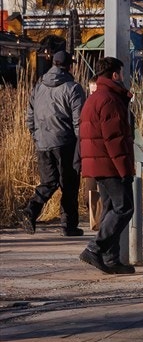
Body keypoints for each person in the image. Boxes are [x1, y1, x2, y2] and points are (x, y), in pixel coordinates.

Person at [77, 57, 136, 275]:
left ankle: (111, 259)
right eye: (121, 73)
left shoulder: (95, 98)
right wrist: (124, 169)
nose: (123, 77)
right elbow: (115, 139)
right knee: (124, 208)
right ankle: (96, 248)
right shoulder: (109, 100)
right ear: (114, 75)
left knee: (111, 208)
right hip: (110, 164)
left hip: (99, 164)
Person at [24, 50, 86, 237]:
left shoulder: (39, 86)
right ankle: (68, 225)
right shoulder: (73, 88)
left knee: (49, 182)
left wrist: (36, 135)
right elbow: (79, 121)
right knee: (69, 183)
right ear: (69, 66)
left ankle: (31, 209)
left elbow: (30, 115)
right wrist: (82, 144)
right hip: (65, 142)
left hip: (42, 141)